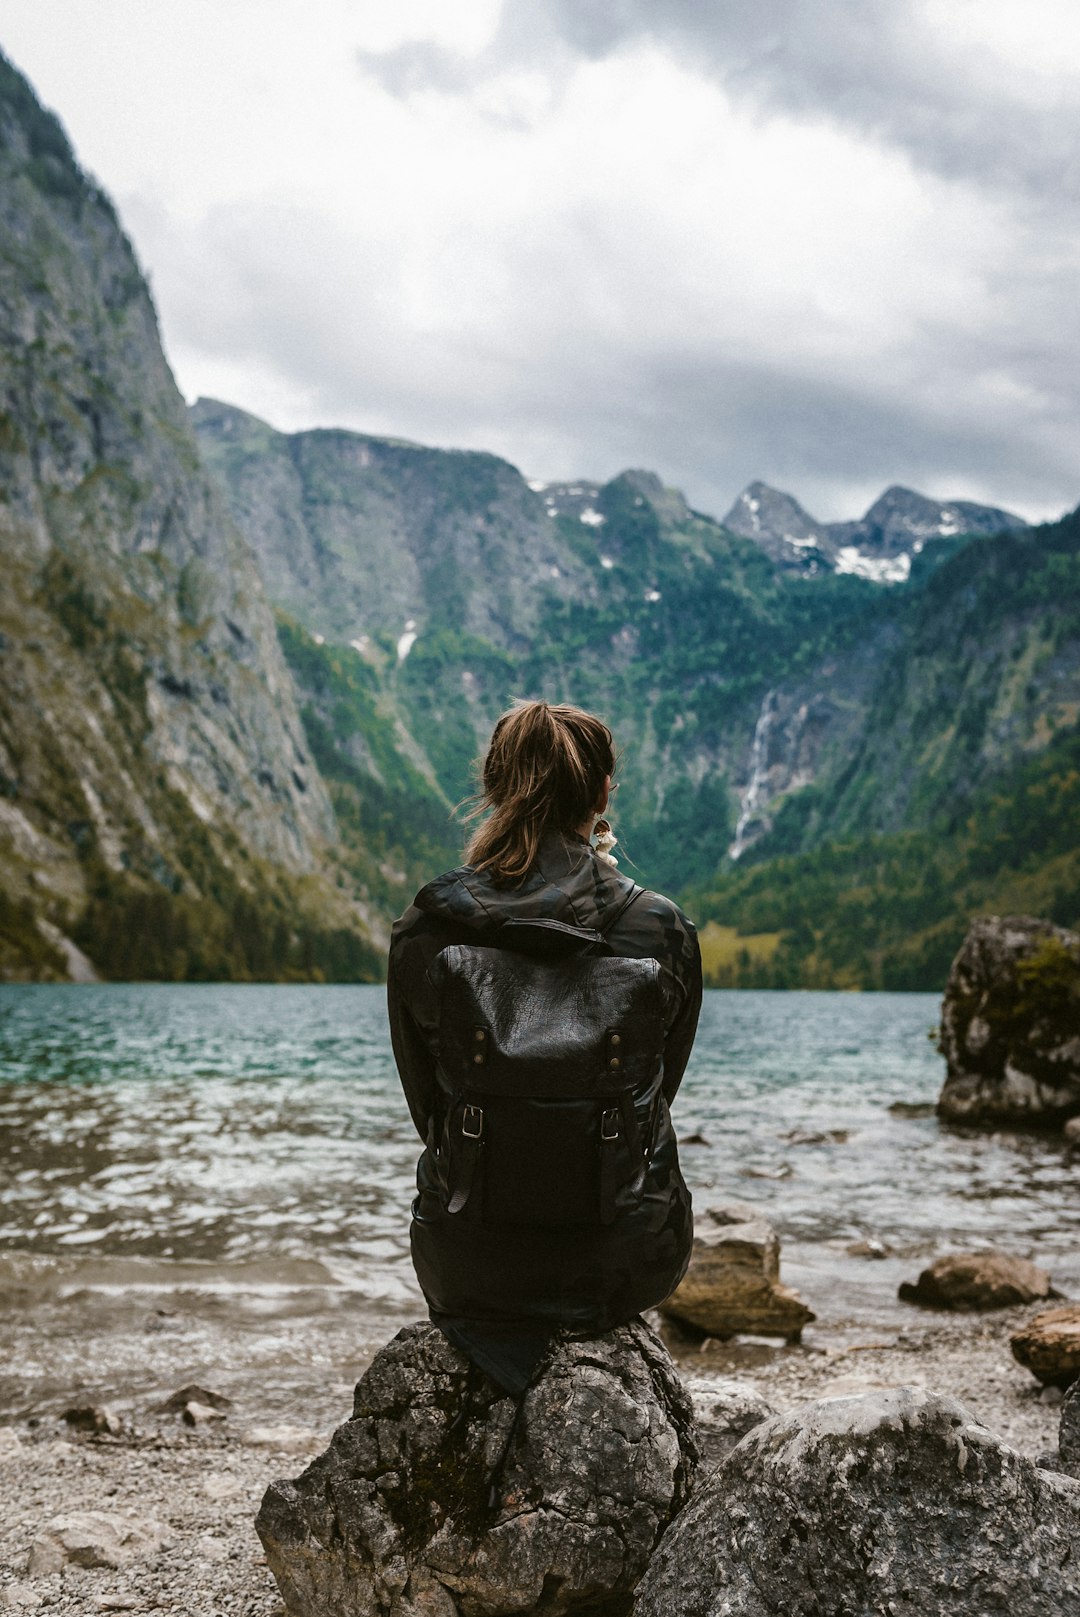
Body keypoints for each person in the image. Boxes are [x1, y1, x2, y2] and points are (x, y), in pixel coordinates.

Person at [387, 699, 701, 1393]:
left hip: (467, 1262)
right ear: (600, 796)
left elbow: (428, 1106)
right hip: (625, 1259)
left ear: (496, 788)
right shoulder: (660, 930)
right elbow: (656, 1100)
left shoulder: (426, 929)